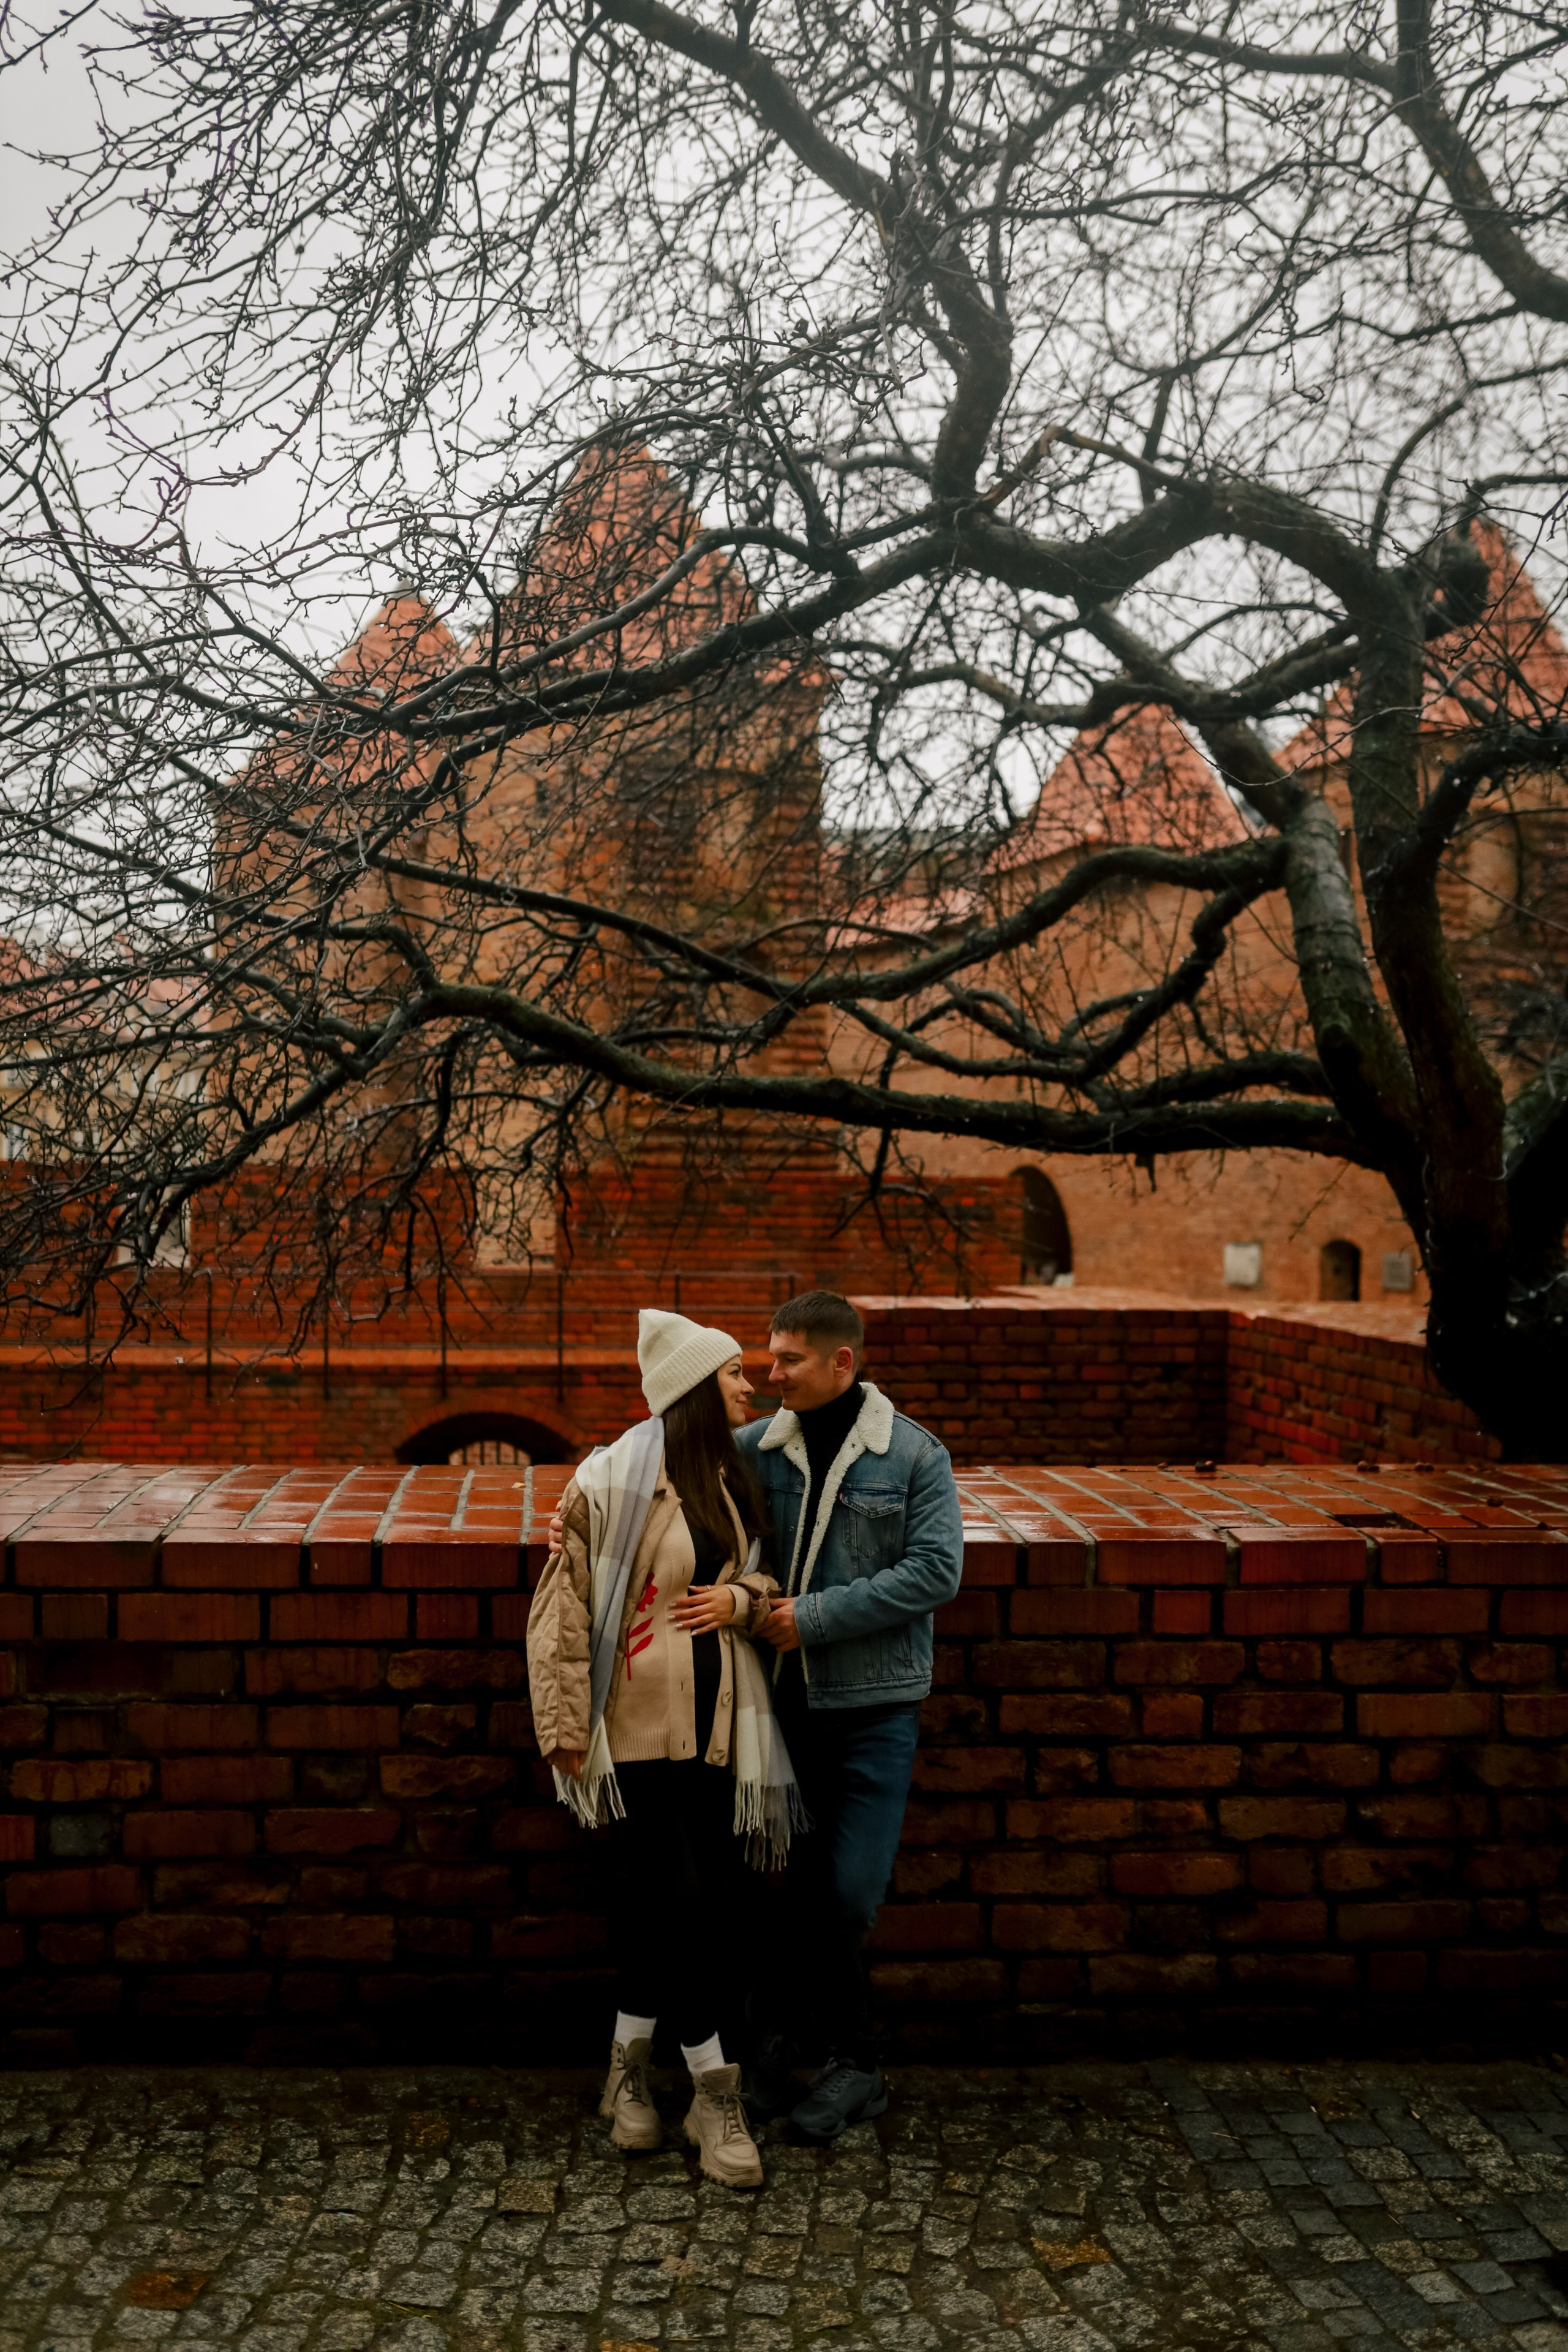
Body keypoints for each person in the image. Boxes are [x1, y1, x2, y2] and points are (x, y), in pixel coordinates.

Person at [526, 1308, 805, 2189]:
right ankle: (715, 2097)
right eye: (731, 1374)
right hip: (637, 1733)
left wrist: (746, 1604)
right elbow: (561, 1611)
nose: (748, 1385)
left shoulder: (727, 1476)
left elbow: (760, 1582)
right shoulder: (608, 1482)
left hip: (726, 1731)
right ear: (692, 1386)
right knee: (687, 1904)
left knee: (682, 1908)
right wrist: (566, 1729)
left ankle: (625, 2079)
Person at [737, 1290, 963, 2143]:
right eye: (769, 1355)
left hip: (874, 1711)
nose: (771, 1373)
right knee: (785, 1890)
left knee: (848, 1895)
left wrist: (816, 1616)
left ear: (843, 1362)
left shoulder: (912, 1457)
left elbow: (936, 1572)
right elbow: (667, 1482)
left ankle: (838, 2056)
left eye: (788, 1359)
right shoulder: (755, 1448)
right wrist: (584, 1507)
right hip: (777, 1708)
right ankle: (816, 2053)